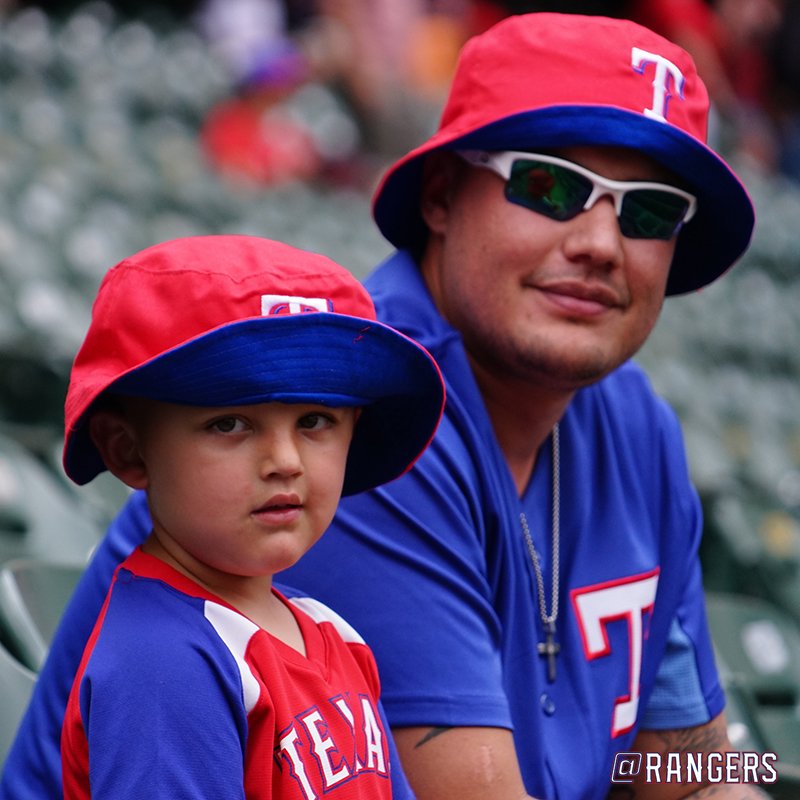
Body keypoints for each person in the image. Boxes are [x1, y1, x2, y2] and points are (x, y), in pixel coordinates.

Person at [1, 12, 770, 800]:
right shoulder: (357, 411)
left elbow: (692, 762)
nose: (602, 244)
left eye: (649, 212)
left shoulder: (639, 426)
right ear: (440, 196)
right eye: (550, 186)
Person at [16, 234, 445, 798]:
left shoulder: (330, 632)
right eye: (230, 424)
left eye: (315, 420)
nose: (285, 462)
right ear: (127, 449)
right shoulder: (163, 663)